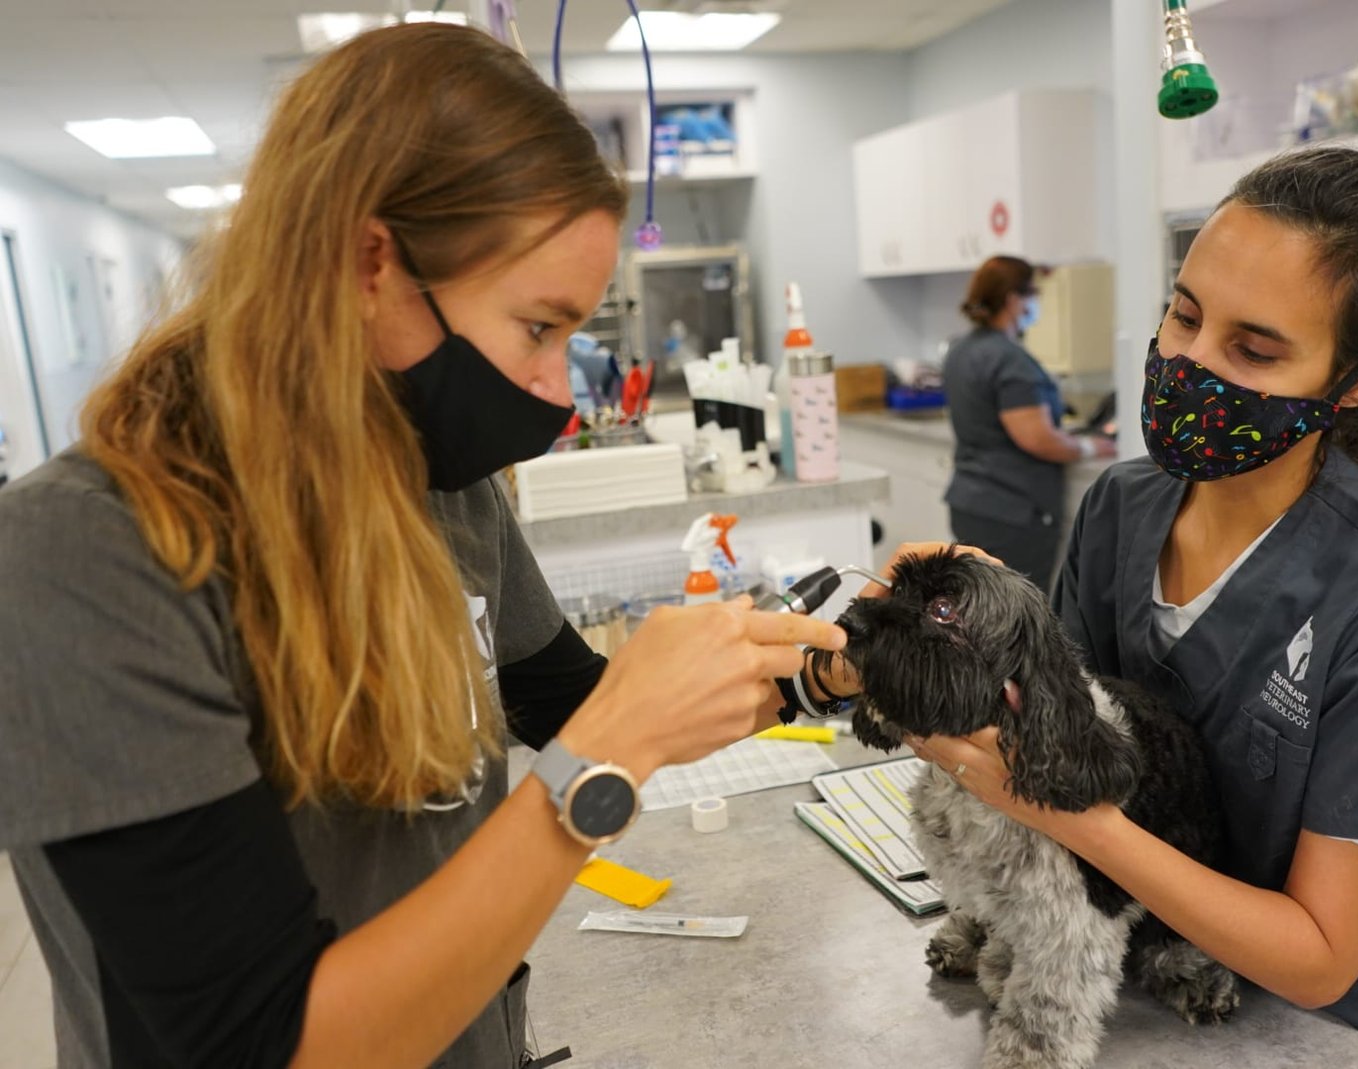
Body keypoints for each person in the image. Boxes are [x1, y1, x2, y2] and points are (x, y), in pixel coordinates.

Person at [0, 24, 845, 1069]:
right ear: (368, 260)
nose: (553, 389)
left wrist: (815, 664)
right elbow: (263, 1043)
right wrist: (607, 761)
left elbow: (559, 700)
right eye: (538, 328)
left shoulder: (434, 480)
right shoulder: (88, 551)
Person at [908, 146, 1358, 1069]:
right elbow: (1070, 732)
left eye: (1254, 348)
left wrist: (1062, 809)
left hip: (1345, 1032)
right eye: (1184, 314)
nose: (1189, 362)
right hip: (1167, 982)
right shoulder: (1123, 505)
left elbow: (1318, 957)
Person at [942, 255, 1117, 591]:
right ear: (1013, 299)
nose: (1036, 303)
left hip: (970, 503)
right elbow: (1035, 437)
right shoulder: (1009, 359)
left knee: (980, 609)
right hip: (1012, 513)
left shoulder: (961, 349)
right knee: (1016, 617)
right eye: (1032, 294)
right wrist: (1088, 445)